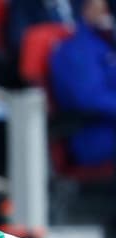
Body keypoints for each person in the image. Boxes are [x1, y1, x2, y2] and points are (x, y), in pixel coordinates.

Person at [48, 0, 116, 168]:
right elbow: (91, 98)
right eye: (101, 8)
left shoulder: (105, 45)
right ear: (85, 10)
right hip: (94, 135)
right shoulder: (77, 49)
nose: (106, 14)